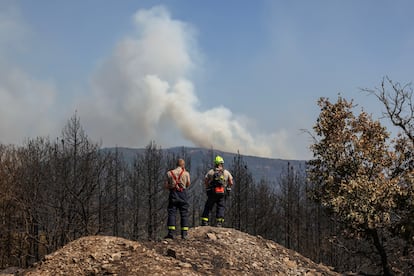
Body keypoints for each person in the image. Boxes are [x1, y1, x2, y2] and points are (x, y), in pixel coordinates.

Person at [201, 155, 233, 227]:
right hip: (222, 192)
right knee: (221, 207)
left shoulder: (211, 172)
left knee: (208, 206)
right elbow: (231, 182)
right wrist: (228, 188)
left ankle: (205, 221)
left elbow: (206, 180)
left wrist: (207, 188)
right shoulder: (226, 172)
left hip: (212, 192)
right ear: (222, 163)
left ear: (215, 163)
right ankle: (219, 222)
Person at [164, 158, 191, 239]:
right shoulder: (186, 173)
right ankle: (184, 234)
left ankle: (171, 233)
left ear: (176, 164)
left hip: (173, 193)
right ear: (183, 165)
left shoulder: (169, 173)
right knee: (184, 213)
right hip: (182, 194)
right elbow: (188, 184)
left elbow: (166, 185)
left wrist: (172, 186)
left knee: (172, 212)